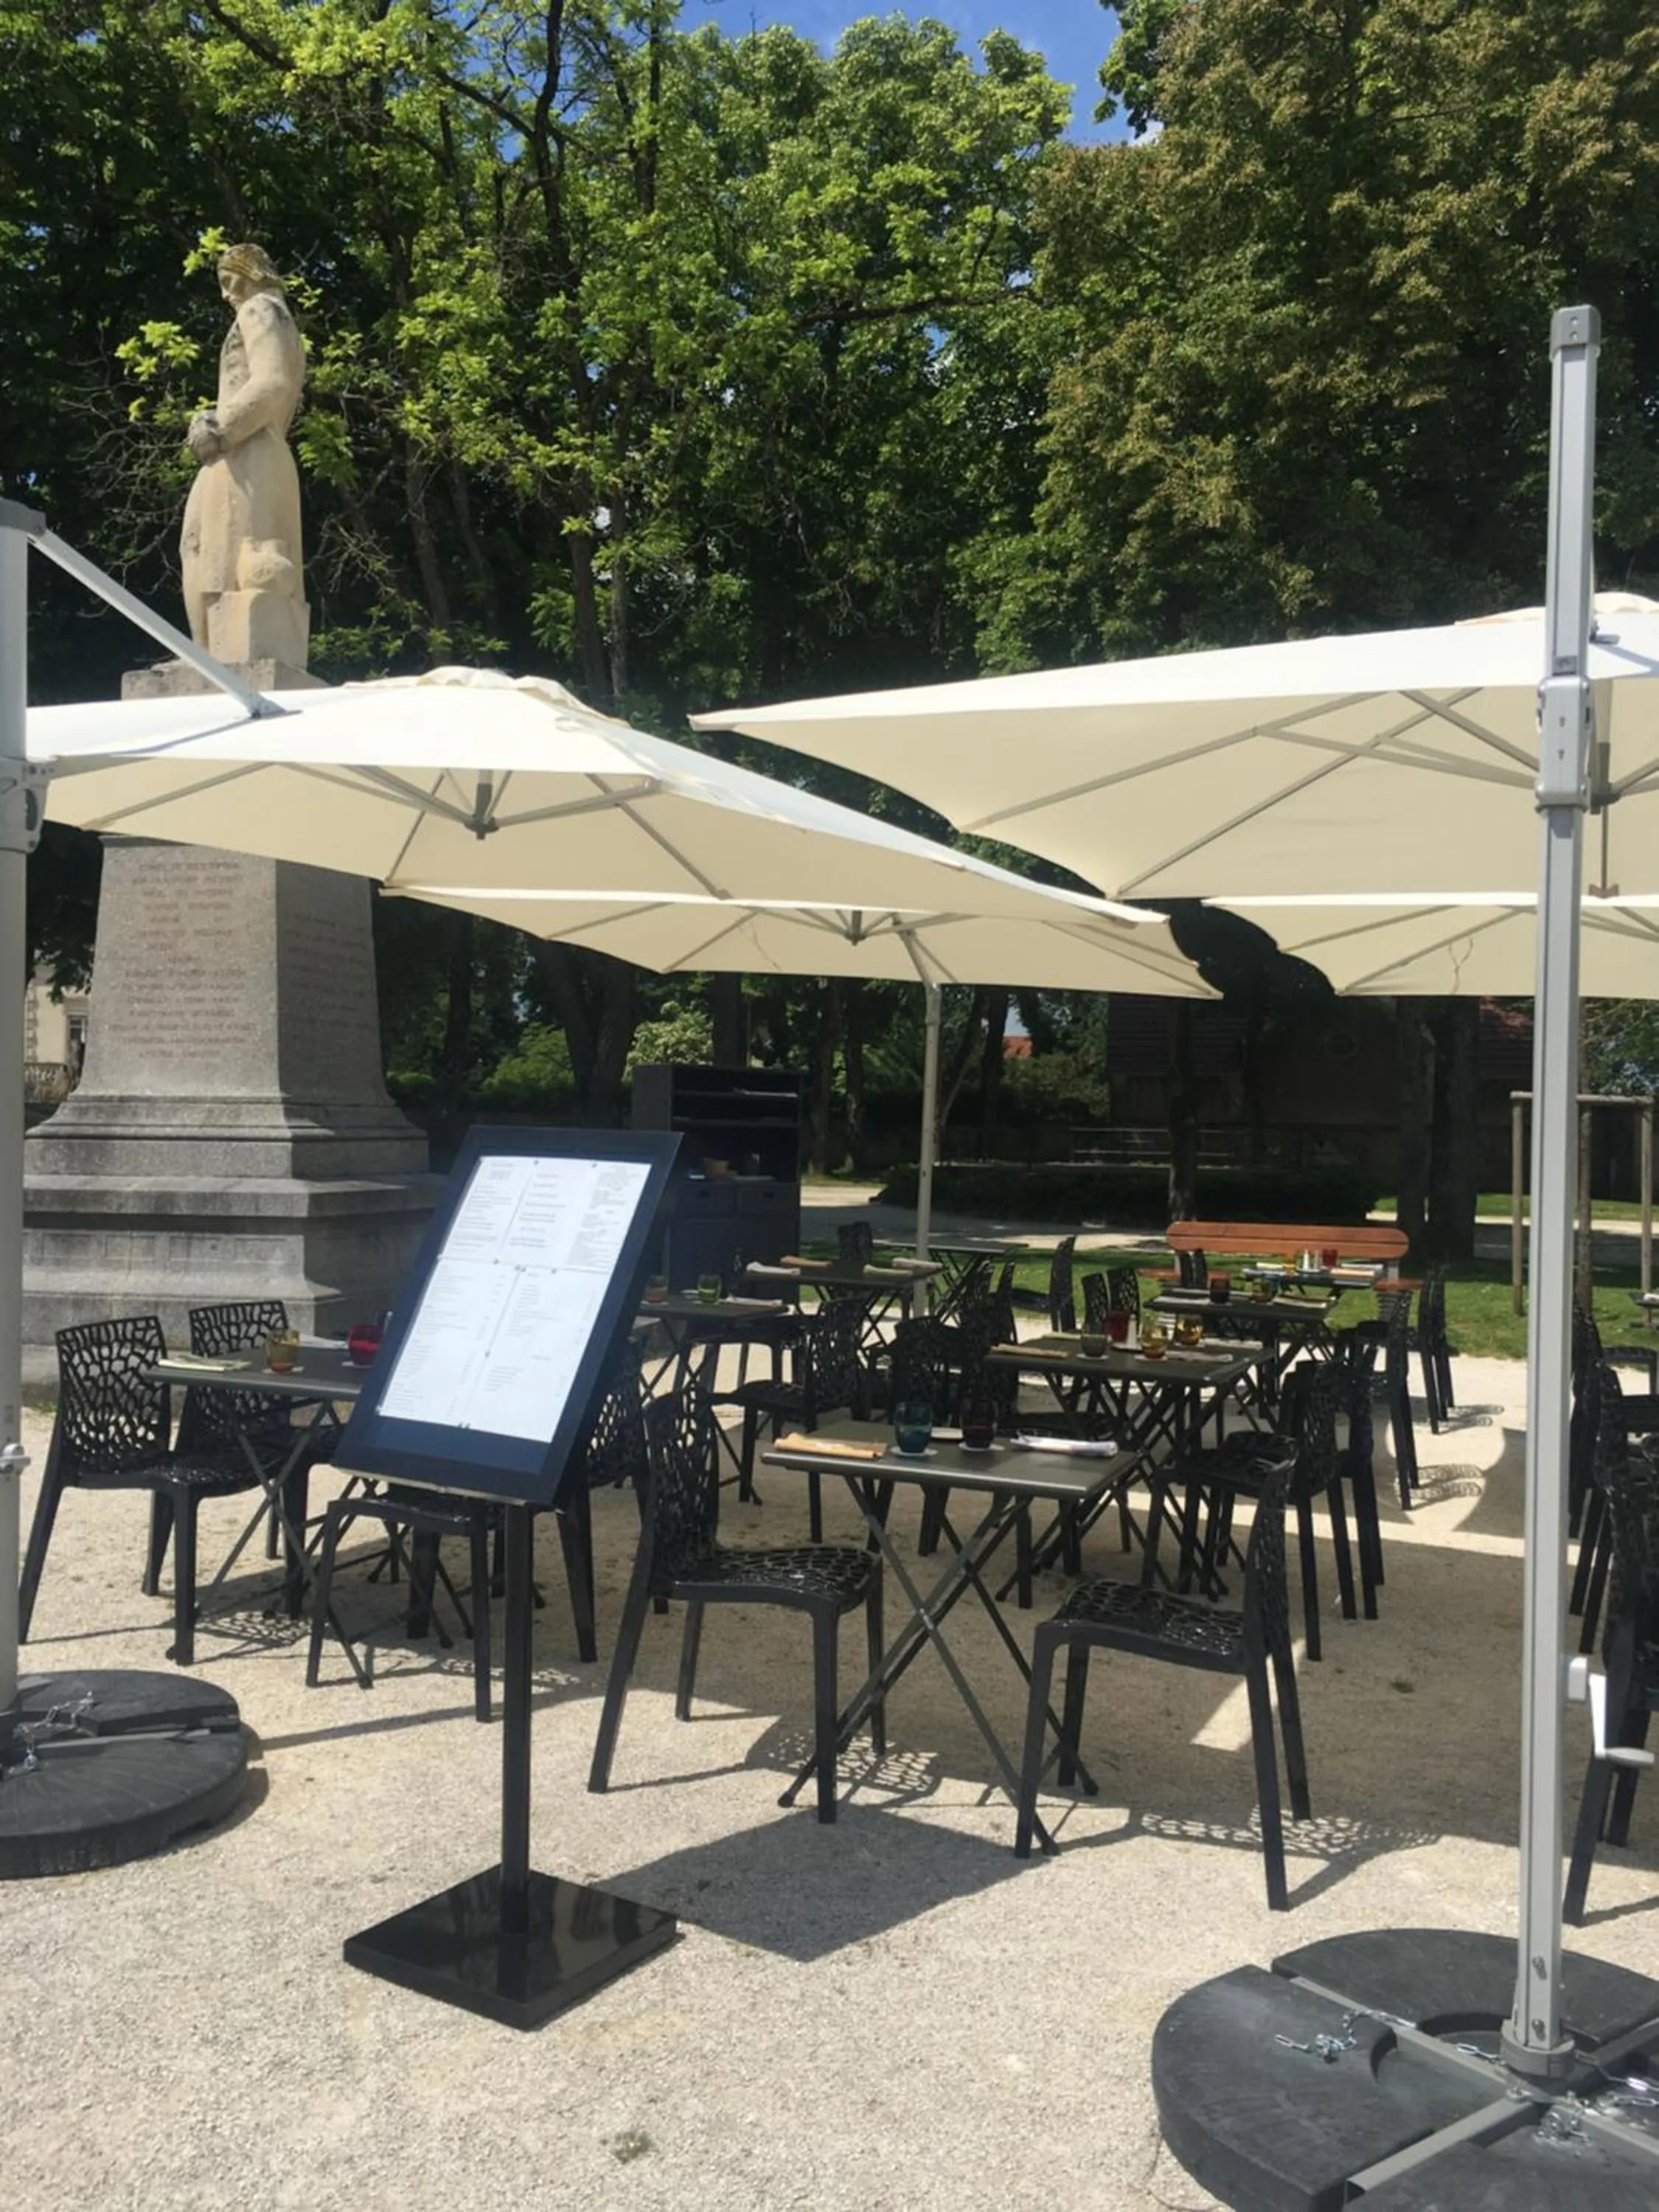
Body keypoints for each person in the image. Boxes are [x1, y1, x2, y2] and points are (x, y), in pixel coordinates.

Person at [180, 243, 307, 659]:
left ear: (253, 273)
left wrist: (219, 427)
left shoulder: (261, 310)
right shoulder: (281, 318)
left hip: (246, 450)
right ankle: (207, 651)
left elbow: (272, 383)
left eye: (230, 280)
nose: (226, 293)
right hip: (254, 449)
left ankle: (213, 656)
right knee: (202, 544)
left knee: (217, 551)